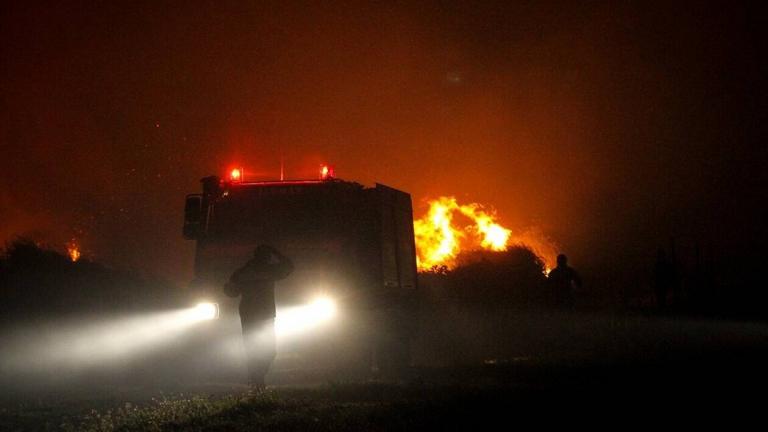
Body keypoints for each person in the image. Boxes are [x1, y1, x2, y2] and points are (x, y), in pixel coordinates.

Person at [224, 244, 293, 388]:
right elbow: (289, 266)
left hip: (248, 314)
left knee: (252, 349)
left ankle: (256, 380)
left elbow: (232, 292)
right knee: (270, 351)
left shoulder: (242, 272)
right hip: (266, 314)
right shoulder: (269, 271)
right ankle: (257, 380)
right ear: (267, 257)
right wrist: (276, 251)